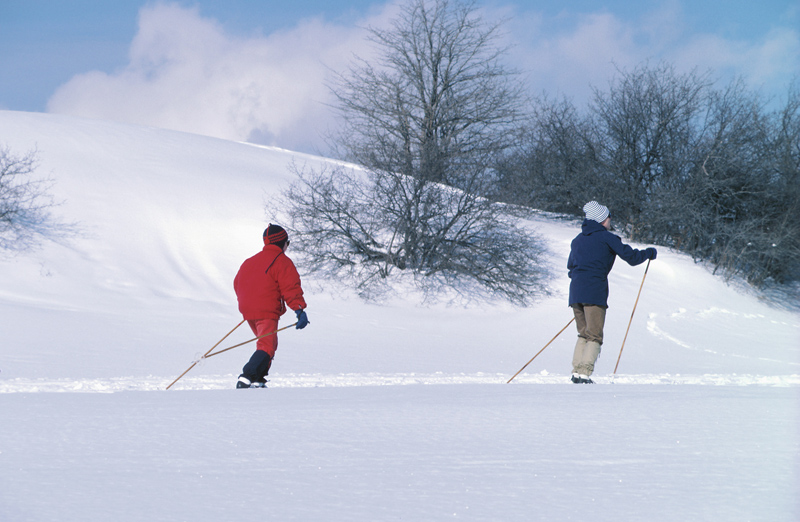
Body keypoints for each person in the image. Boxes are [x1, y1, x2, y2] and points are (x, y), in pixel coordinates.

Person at [567, 201, 656, 384]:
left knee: (583, 333)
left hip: (576, 293)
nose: (610, 220)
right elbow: (631, 258)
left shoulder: (577, 240)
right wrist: (649, 253)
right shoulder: (607, 238)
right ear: (601, 219)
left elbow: (571, 267)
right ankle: (584, 374)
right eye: (608, 217)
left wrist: (581, 286)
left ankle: (577, 372)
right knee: (594, 335)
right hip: (595, 293)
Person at [233, 224, 309, 388]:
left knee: (266, 344)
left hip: (248, 310)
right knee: (267, 346)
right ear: (283, 242)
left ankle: (258, 379)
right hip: (266, 311)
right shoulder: (282, 261)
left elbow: (237, 283)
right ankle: (247, 376)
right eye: (287, 242)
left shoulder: (249, 261)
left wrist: (248, 304)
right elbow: (291, 287)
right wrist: (299, 310)